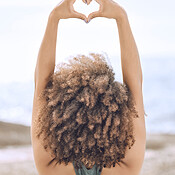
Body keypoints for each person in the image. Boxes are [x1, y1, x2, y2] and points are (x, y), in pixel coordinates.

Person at [31, 0, 146, 174]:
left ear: (57, 119)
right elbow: (135, 85)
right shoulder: (125, 170)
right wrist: (121, 17)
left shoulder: (51, 169)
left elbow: (41, 84)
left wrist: (54, 18)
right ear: (117, 118)